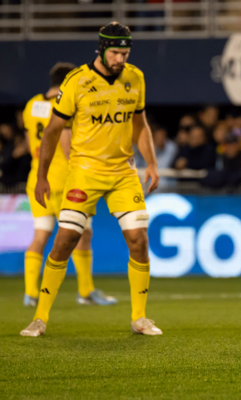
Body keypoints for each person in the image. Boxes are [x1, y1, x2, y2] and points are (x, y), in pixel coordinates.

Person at [20, 22, 162, 337]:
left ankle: (139, 317)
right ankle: (39, 317)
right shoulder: (77, 81)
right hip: (84, 172)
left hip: (123, 172)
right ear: (101, 49)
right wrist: (42, 176)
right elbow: (54, 131)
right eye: (115, 52)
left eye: (125, 53)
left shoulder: (135, 78)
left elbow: (140, 124)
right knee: (64, 239)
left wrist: (150, 162)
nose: (120, 59)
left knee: (139, 239)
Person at [22, 62, 117, 308]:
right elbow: (66, 144)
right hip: (67, 182)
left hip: (38, 179)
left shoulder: (32, 105)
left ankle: (31, 293)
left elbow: (29, 140)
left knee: (41, 235)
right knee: (84, 233)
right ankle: (85, 291)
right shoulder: (67, 103)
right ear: (68, 82)